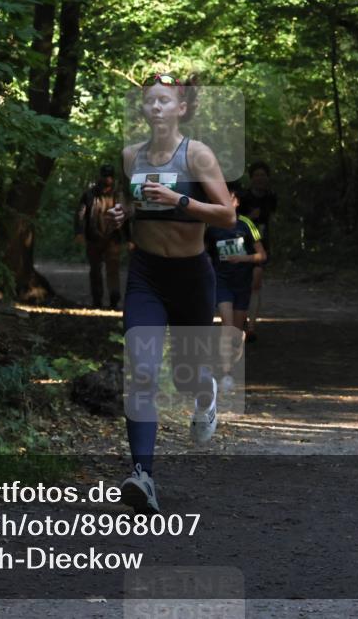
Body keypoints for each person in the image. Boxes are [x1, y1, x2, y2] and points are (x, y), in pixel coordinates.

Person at [106, 73, 236, 514]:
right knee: (140, 369)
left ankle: (205, 392)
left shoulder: (197, 155)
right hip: (145, 274)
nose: (156, 107)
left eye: (165, 101)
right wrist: (122, 214)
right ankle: (142, 475)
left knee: (185, 375)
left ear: (181, 108)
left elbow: (227, 216)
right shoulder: (130, 156)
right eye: (149, 101)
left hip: (191, 277)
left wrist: (180, 200)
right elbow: (133, 204)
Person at [205, 185, 266, 392]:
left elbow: (262, 256)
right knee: (227, 326)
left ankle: (233, 367)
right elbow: (204, 254)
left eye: (228, 197)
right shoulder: (210, 227)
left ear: (236, 201)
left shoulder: (246, 224)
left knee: (236, 332)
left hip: (242, 282)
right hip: (221, 282)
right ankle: (226, 372)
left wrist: (243, 258)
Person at [236, 161, 277, 342]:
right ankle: (241, 320)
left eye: (263, 175)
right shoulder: (242, 197)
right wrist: (247, 218)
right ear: (251, 178)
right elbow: (233, 219)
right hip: (241, 243)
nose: (260, 178)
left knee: (256, 282)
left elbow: (271, 219)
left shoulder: (271, 197)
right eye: (257, 175)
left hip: (261, 243)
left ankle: (251, 326)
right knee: (241, 283)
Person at [75, 164, 125, 309]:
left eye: (110, 176)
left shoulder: (118, 195)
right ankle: (97, 301)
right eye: (105, 176)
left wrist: (128, 238)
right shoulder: (89, 194)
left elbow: (125, 217)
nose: (107, 179)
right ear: (100, 176)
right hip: (94, 237)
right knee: (95, 270)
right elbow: (80, 214)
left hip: (113, 238)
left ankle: (114, 299)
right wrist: (79, 232)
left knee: (113, 269)